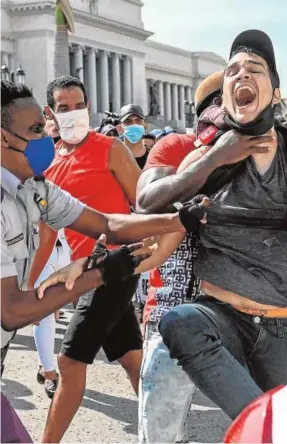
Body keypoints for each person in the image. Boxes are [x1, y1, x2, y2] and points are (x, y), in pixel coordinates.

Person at [0, 79, 207, 441]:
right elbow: (16, 301)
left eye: (79, 104)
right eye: (61, 109)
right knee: (130, 357)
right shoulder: (42, 176)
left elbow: (118, 217)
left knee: (68, 361)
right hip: (94, 273)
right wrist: (36, 290)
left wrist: (177, 221)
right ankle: (165, 431)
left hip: (112, 267)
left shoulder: (62, 174)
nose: (72, 114)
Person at [158, 29, 287, 422]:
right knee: (180, 321)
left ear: (276, 93)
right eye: (233, 71)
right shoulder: (202, 162)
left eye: (255, 69)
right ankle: (260, 428)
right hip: (221, 319)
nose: (242, 76)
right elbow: (157, 222)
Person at [136, 72, 224, 443]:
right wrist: (211, 157)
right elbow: (145, 202)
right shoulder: (176, 146)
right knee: (161, 429)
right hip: (172, 311)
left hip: (245, 315)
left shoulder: (266, 156)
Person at [31, 230, 71, 399]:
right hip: (40, 247)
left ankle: (44, 365)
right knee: (44, 313)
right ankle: (49, 372)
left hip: (68, 247)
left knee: (53, 312)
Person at [116, 104, 149, 169]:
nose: (134, 125)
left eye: (138, 121)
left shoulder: (153, 156)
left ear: (145, 126)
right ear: (119, 129)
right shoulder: (113, 157)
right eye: (128, 121)